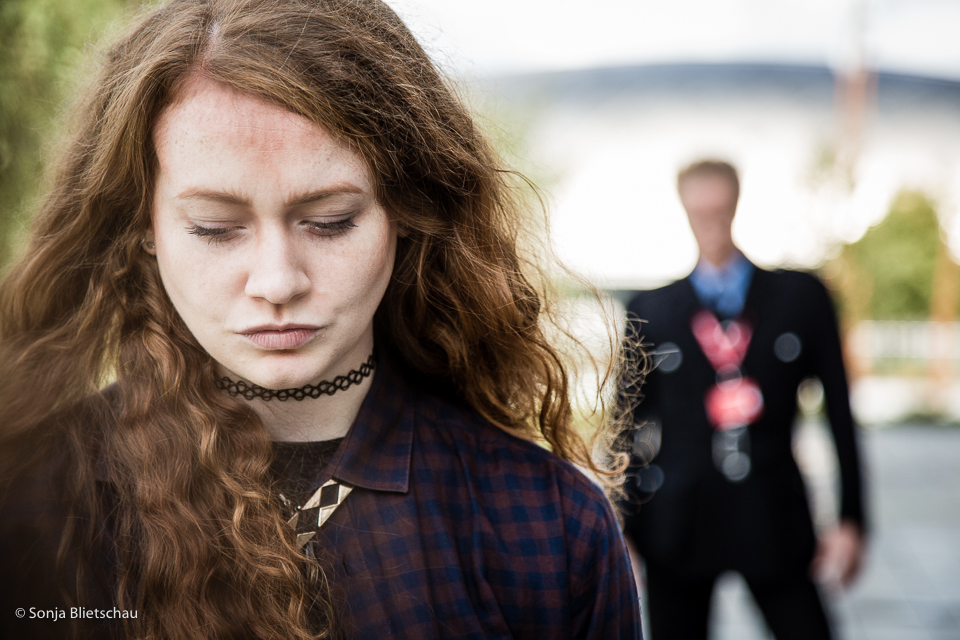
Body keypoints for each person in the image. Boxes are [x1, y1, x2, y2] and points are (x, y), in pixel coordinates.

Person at [0, 1, 642, 638]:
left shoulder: (549, 526)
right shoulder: (29, 500)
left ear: (406, 212)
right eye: (215, 228)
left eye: (330, 221)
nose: (277, 281)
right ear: (145, 226)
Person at [620, 160, 866, 640]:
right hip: (679, 524)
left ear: (736, 206)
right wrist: (622, 526)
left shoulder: (800, 298)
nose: (710, 223)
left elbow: (840, 413)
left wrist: (851, 519)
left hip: (773, 517)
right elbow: (626, 424)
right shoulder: (650, 310)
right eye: (699, 212)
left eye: (720, 210)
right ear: (684, 210)